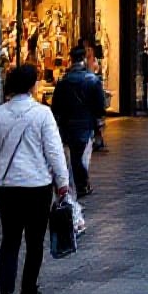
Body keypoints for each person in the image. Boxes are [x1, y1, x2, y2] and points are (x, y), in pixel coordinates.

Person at [0, 63, 70, 294]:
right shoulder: (42, 114)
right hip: (37, 186)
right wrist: (62, 182)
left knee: (9, 241)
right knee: (34, 242)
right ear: (32, 86)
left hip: (7, 187)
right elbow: (54, 151)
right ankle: (28, 292)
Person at [50, 46, 106, 198]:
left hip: (67, 125)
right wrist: (98, 122)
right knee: (79, 155)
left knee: (74, 154)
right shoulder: (92, 80)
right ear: (83, 60)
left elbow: (56, 106)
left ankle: (78, 184)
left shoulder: (63, 82)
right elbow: (100, 106)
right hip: (86, 124)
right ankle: (81, 184)